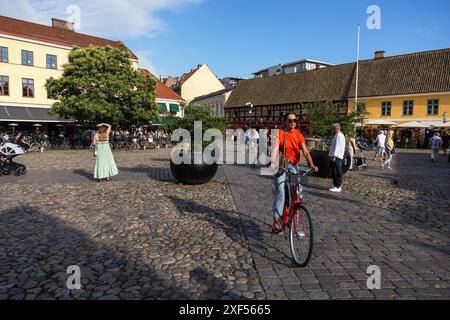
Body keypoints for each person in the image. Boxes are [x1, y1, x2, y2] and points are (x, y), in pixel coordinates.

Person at [270, 113, 318, 233]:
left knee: (296, 190)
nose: (292, 123)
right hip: (282, 165)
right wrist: (272, 161)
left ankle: (293, 213)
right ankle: (276, 218)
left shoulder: (298, 134)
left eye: (294, 120)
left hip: (294, 166)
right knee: (280, 190)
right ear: (285, 122)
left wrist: (311, 164)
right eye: (290, 120)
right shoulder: (280, 133)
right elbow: (275, 147)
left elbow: (306, 152)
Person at [328, 123, 346, 193]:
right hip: (337, 155)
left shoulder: (339, 135)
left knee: (337, 171)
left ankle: (338, 186)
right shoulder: (338, 135)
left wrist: (334, 155)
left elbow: (337, 146)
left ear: (335, 129)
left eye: (332, 128)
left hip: (337, 156)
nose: (332, 130)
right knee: (335, 171)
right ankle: (336, 185)